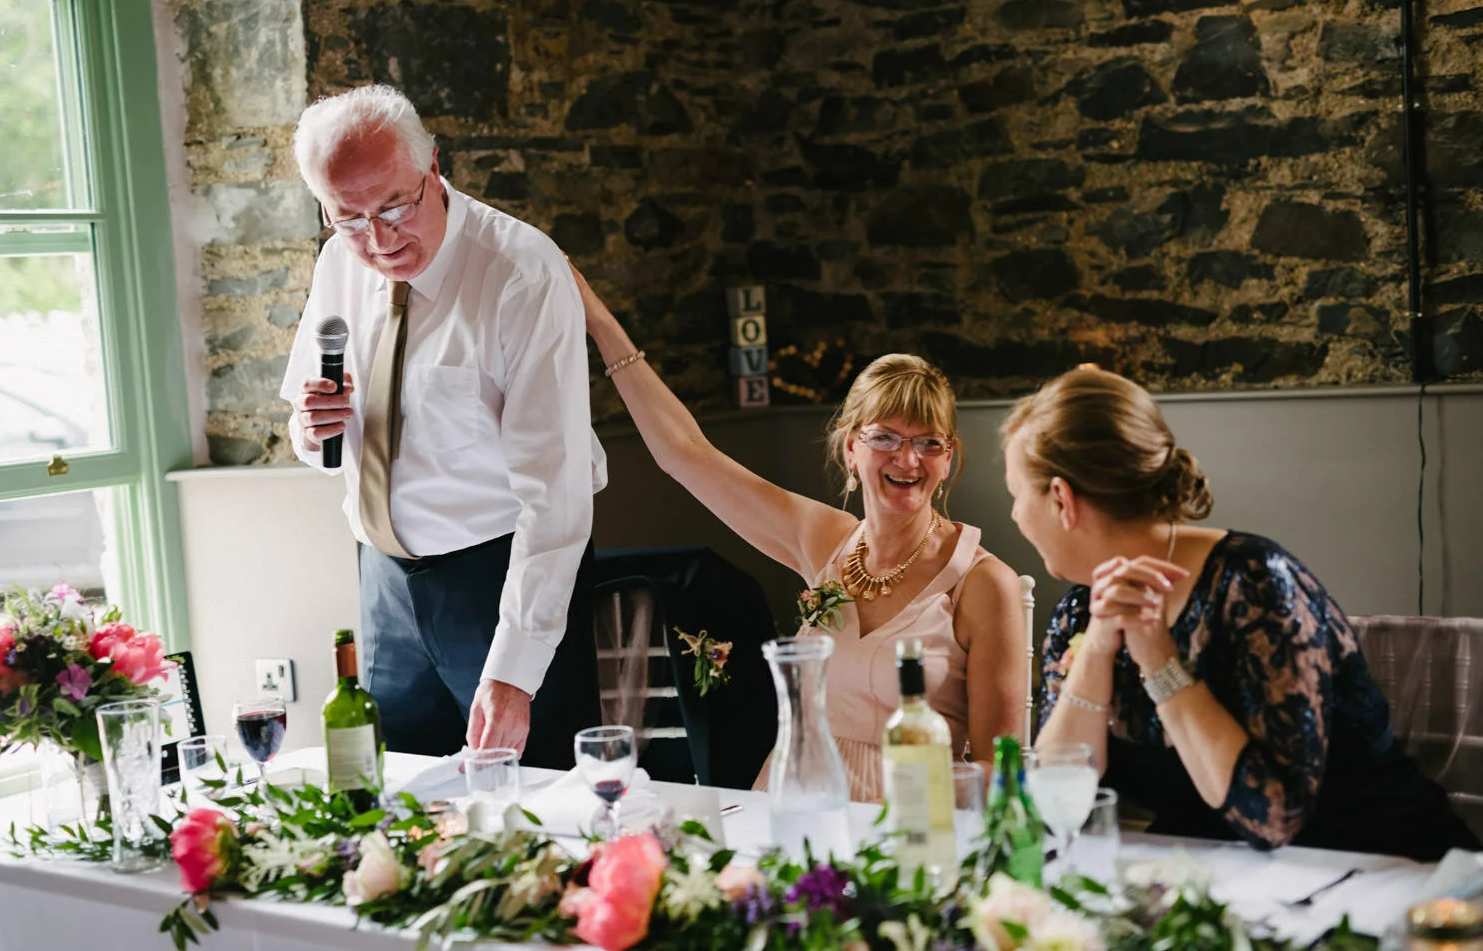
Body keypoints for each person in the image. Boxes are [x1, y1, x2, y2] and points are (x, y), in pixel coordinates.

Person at [570, 264, 1027, 802]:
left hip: (911, 824)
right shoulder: (827, 541)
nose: (909, 458)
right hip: (798, 803)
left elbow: (1001, 769)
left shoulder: (981, 582)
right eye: (886, 437)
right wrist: (599, 323)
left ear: (948, 458)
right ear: (850, 448)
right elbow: (685, 455)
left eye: (929, 442)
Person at [1007, 366, 1478, 860]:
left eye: (1017, 494)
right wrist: (1098, 648)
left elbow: (1274, 818)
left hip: (1383, 870)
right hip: (1221, 881)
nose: (1015, 514)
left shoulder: (1256, 584)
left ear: (1061, 500)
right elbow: (1055, 805)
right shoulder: (1080, 612)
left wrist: (1158, 659)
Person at [279, 84, 605, 767]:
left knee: (536, 812)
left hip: (497, 580)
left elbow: (559, 492)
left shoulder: (518, 272)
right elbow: (314, 437)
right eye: (349, 217)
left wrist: (516, 667)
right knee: (401, 810)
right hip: (384, 586)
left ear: (433, 162)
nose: (379, 238)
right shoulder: (340, 262)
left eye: (395, 205)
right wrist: (312, 428)